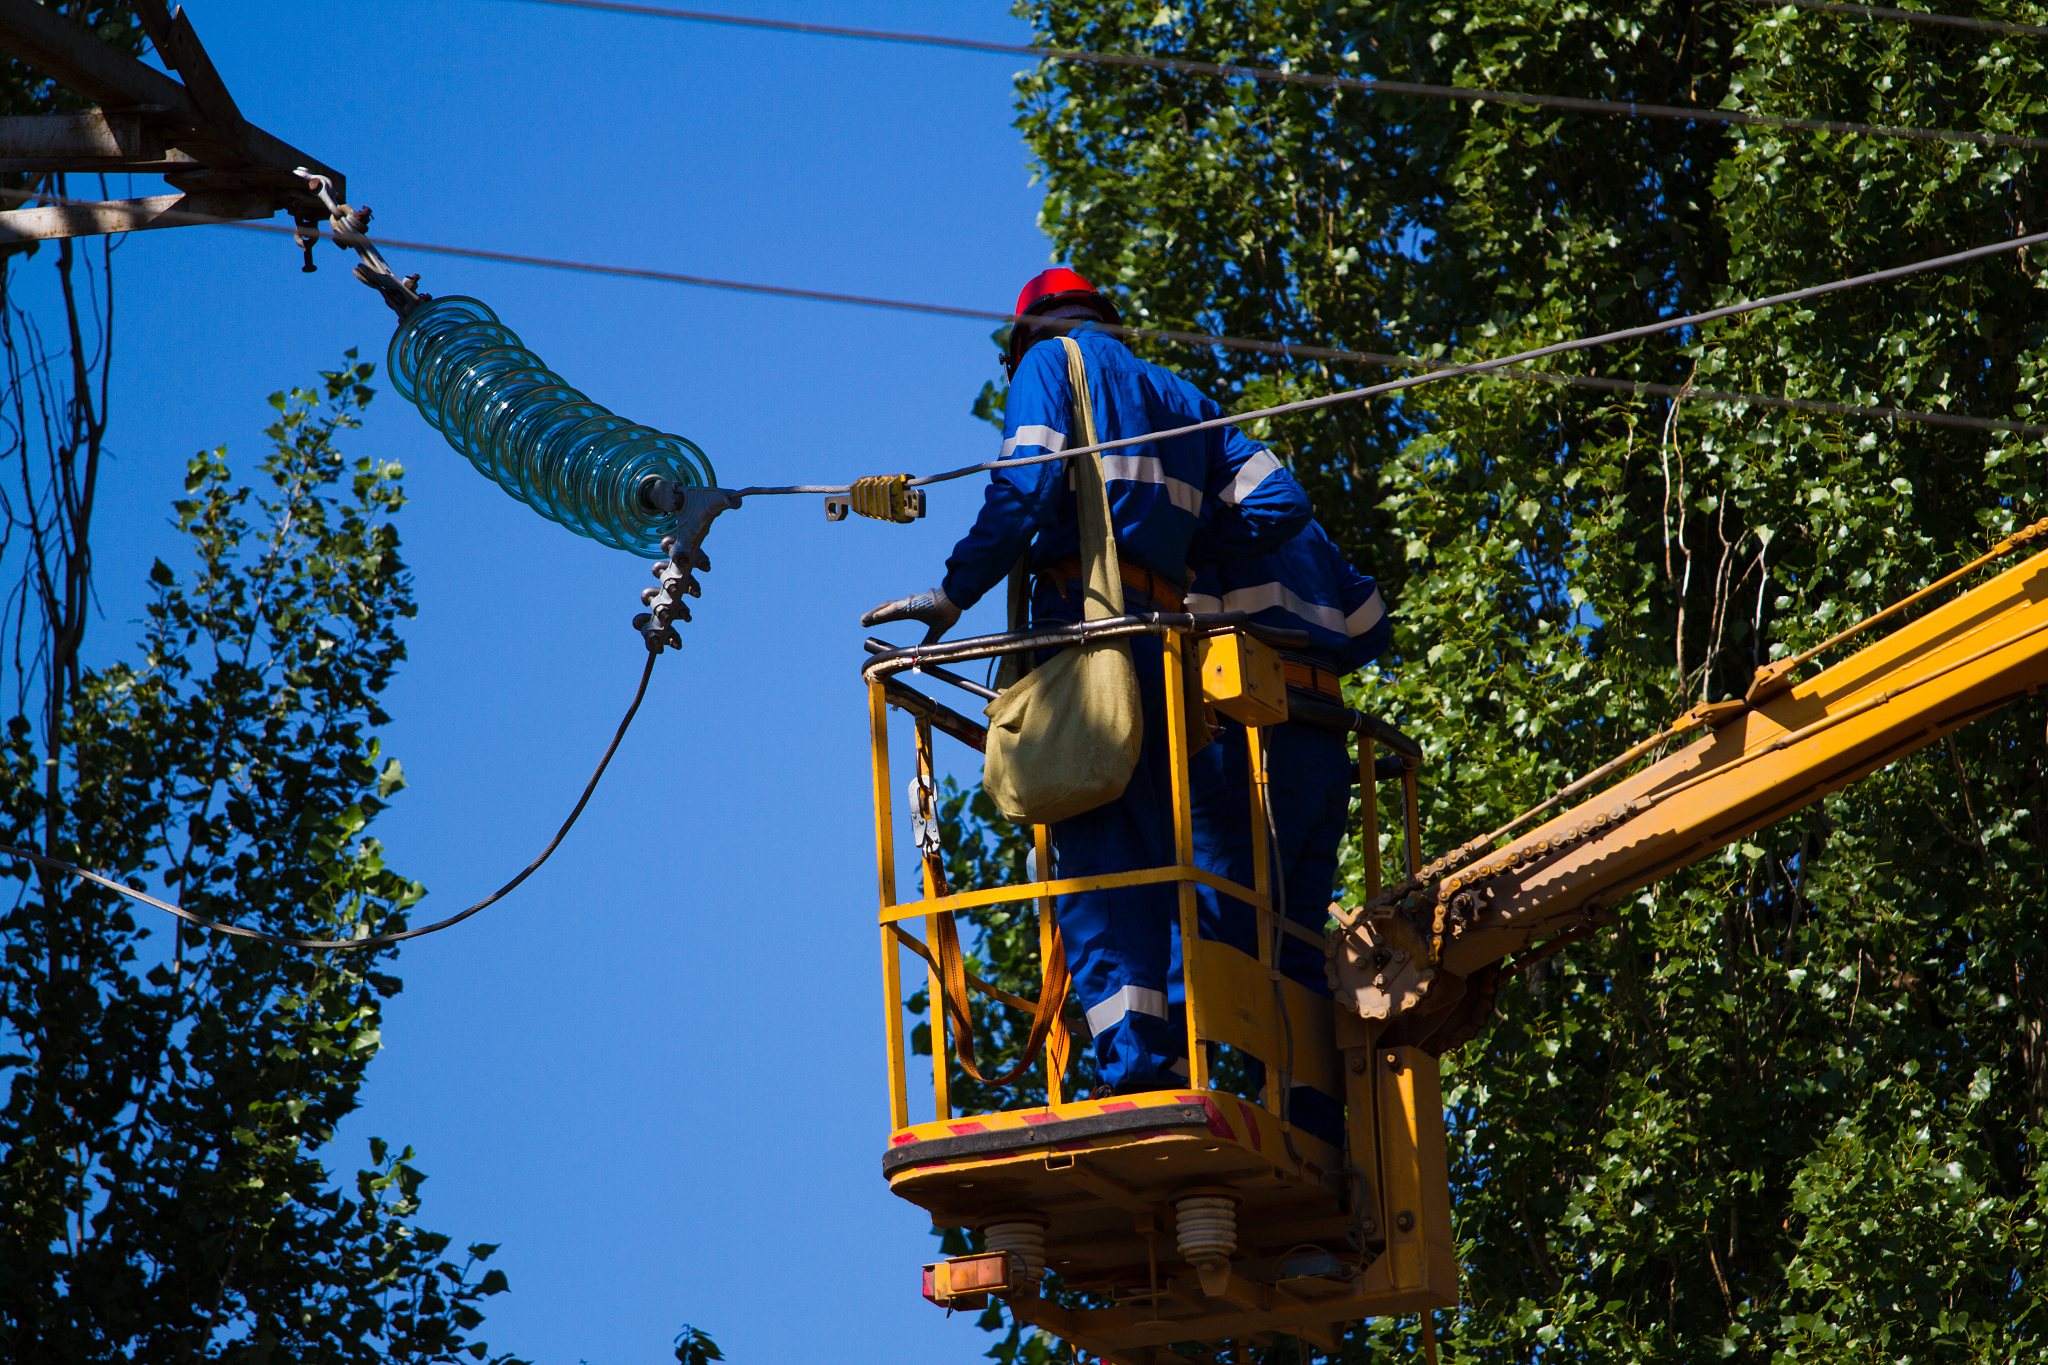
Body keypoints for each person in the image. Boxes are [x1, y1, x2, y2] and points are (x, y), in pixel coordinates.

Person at [862, 267, 1310, 1095]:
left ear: (1029, 331)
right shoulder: (1182, 392)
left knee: (1103, 870)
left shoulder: (1049, 363)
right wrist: (1174, 552)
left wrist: (954, 591)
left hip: (1088, 641)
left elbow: (1025, 486)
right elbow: (1281, 503)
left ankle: (1141, 1071)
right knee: (1194, 859)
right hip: (1170, 646)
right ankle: (1212, 1052)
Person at [1178, 517, 1393, 1145]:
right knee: (1293, 938)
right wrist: (1310, 656)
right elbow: (1370, 622)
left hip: (1250, 738)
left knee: (1211, 919)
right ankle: (1310, 1120)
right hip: (1320, 739)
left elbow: (1172, 626)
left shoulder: (1200, 524)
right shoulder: (1303, 524)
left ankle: (1168, 1085)